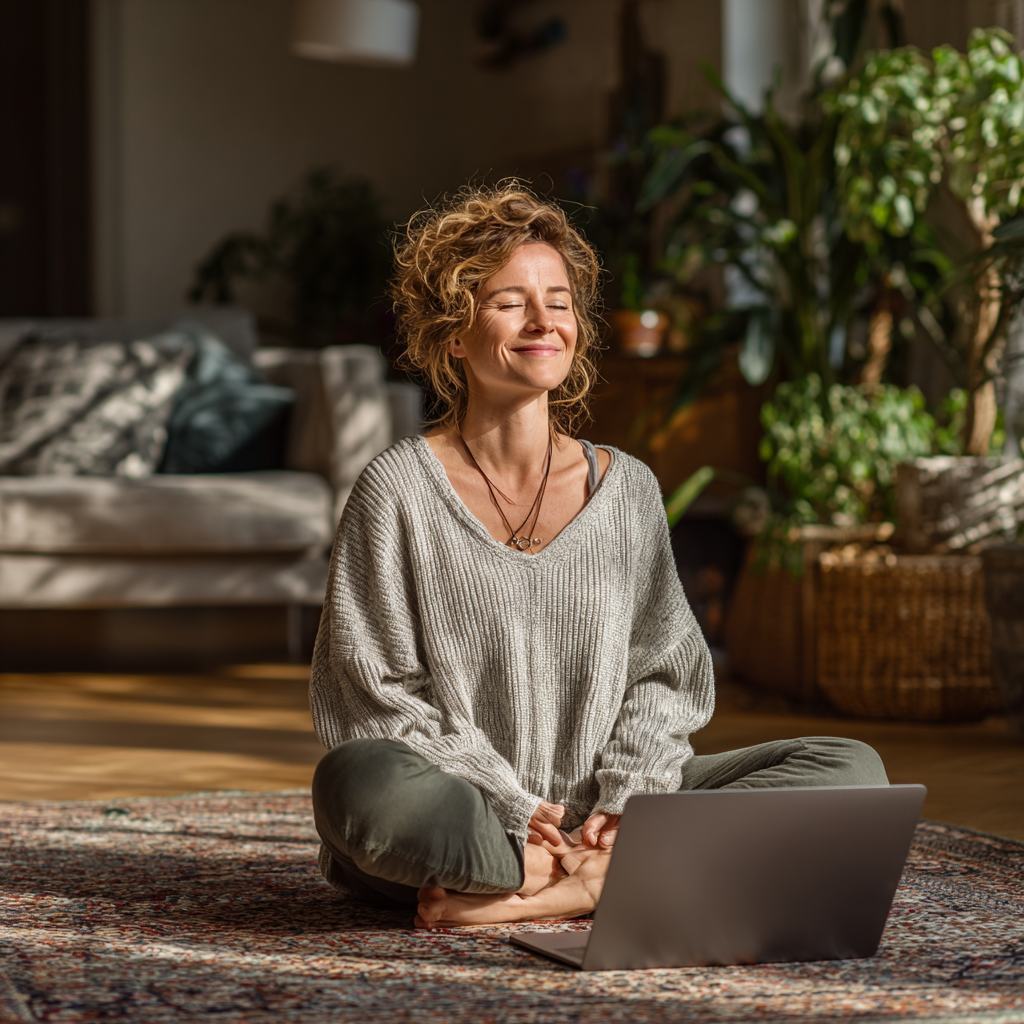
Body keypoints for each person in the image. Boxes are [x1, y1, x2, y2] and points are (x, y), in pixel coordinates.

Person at [308, 182, 888, 929]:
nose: (545, 319)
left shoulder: (628, 489)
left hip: (615, 811)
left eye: (559, 299)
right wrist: (516, 810)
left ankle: (570, 888)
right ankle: (571, 870)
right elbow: (371, 696)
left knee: (851, 772)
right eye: (511, 301)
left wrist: (627, 795)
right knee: (359, 786)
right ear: (455, 332)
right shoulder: (396, 490)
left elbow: (664, 673)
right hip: (471, 817)